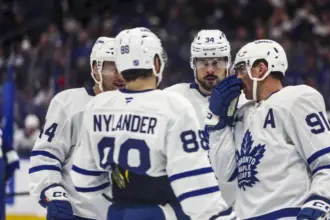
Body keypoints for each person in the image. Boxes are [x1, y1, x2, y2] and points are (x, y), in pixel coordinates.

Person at [77, 27, 236, 220]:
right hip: (162, 211)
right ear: (156, 62)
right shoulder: (173, 104)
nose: (210, 69)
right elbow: (194, 186)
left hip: (117, 212)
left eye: (217, 62)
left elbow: (84, 179)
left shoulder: (97, 106)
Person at [205, 39, 330, 220]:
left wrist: (319, 202)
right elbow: (224, 172)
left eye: (241, 69)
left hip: (288, 214)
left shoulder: (296, 99)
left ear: (261, 68)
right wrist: (219, 125)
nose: (238, 78)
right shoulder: (241, 113)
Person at [28, 37, 124, 220]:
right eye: (113, 67)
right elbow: (46, 156)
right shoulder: (70, 104)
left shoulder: (140, 109)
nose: (120, 75)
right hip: (77, 214)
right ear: (96, 68)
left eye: (125, 69)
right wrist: (53, 194)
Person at [165, 29, 246, 207]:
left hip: (234, 206)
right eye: (203, 62)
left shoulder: (245, 102)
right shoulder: (171, 99)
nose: (210, 69)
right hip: (183, 207)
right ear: (193, 63)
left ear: (228, 63)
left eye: (217, 62)